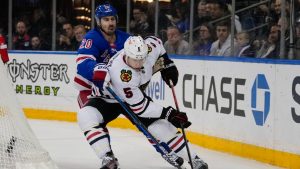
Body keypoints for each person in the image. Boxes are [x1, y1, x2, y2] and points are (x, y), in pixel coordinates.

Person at [77, 35, 208, 169]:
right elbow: (141, 108)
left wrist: (168, 64)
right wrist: (169, 113)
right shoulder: (122, 75)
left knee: (159, 127)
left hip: (134, 96)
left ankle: (195, 159)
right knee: (86, 116)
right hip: (107, 99)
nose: (139, 63)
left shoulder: (149, 49)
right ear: (127, 54)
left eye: (142, 59)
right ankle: (107, 157)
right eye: (135, 60)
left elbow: (157, 41)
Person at [74, 3, 130, 108]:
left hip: (116, 89)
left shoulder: (125, 38)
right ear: (99, 22)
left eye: (112, 19)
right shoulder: (91, 38)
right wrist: (97, 71)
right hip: (90, 88)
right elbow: (83, 62)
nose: (110, 23)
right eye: (106, 19)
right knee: (91, 119)